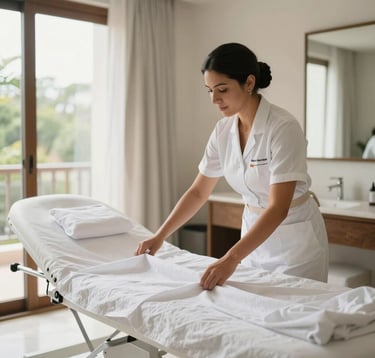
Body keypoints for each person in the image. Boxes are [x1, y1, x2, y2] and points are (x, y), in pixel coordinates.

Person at [135, 43, 328, 290]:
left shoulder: (283, 128)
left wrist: (230, 258)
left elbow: (278, 208)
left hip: (295, 244)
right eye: (209, 91)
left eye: (222, 89)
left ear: (249, 83)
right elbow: (198, 192)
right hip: (253, 239)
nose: (214, 99)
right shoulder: (223, 131)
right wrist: (159, 235)